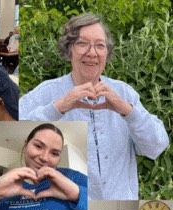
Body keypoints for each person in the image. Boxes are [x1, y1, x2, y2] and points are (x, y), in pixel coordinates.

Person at [19, 13, 168, 200]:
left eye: (100, 45)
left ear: (107, 52)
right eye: (82, 43)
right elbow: (17, 132)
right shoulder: (46, 93)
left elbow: (157, 146)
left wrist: (128, 112)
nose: (92, 52)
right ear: (69, 49)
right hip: (68, 205)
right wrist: (58, 107)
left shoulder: (124, 93)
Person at [0, 123, 88, 210]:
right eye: (38, 146)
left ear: (59, 158)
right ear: (26, 145)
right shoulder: (8, 184)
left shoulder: (73, 177)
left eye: (54, 153)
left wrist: (77, 194)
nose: (44, 158)